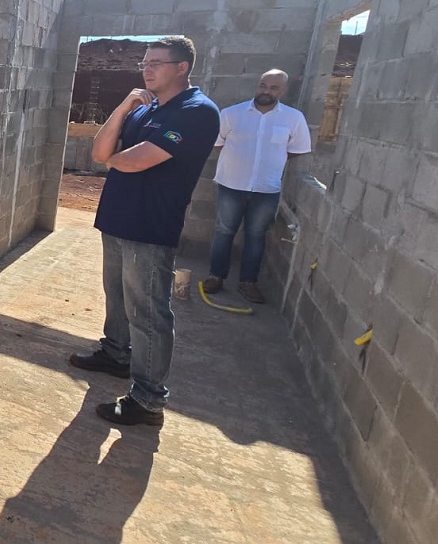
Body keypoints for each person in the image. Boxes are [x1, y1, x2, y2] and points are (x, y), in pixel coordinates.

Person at [69, 36, 220, 426]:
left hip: (150, 226)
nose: (147, 70)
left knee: (148, 312)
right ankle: (116, 353)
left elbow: (137, 162)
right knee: (118, 297)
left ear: (182, 67)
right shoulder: (142, 109)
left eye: (156, 63)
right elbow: (99, 152)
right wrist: (123, 107)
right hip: (117, 219)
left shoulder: (196, 111)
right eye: (145, 63)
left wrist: (115, 159)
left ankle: (149, 399)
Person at [203, 69, 311, 303]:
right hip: (231, 185)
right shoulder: (232, 114)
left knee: (256, 235)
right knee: (223, 231)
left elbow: (296, 150)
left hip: (266, 189)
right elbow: (217, 143)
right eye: (263, 85)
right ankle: (216, 276)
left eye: (273, 88)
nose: (266, 91)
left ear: (283, 91)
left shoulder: (293, 118)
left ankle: (248, 282)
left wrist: (268, 162)